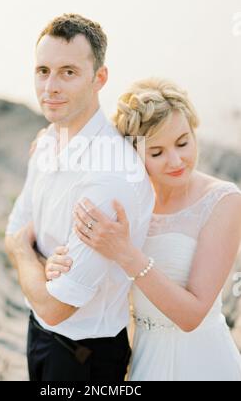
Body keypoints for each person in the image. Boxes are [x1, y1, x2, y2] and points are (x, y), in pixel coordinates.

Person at [45, 78, 241, 381]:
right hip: (143, 360)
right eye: (157, 152)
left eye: (183, 142)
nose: (176, 161)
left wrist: (125, 254)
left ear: (194, 131)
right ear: (135, 153)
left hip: (203, 361)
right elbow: (102, 281)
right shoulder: (128, 201)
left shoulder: (224, 201)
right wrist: (60, 263)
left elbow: (192, 316)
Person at [4, 14, 154, 381]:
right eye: (43, 71)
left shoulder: (109, 177)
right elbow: (13, 229)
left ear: (99, 78)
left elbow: (57, 307)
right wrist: (38, 259)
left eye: (68, 72)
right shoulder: (47, 142)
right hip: (37, 334)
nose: (50, 87)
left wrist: (26, 252)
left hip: (86, 356)